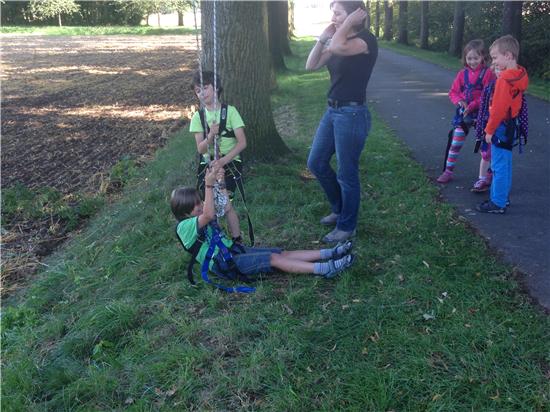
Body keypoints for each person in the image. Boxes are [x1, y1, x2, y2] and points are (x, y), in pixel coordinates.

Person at [171, 163, 355, 286]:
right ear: (184, 212)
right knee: (273, 259)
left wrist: (220, 182)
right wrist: (208, 185)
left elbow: (227, 209)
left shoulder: (201, 214)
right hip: (223, 264)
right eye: (195, 205)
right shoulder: (184, 227)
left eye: (199, 201)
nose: (200, 205)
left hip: (232, 251)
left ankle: (330, 253)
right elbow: (209, 214)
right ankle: (326, 269)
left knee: (282, 253)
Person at [305, 0, 378, 244]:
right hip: (333, 111)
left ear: (357, 15)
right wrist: (321, 38)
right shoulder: (338, 39)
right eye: (333, 13)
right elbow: (311, 65)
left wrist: (344, 26)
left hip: (352, 114)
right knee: (316, 162)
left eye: (338, 13)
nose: (334, 18)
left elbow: (338, 45)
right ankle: (340, 209)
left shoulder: (365, 41)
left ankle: (347, 226)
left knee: (347, 174)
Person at [189, 70, 247, 243]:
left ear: (216, 88)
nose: (202, 93)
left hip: (229, 162)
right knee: (208, 205)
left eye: (205, 88)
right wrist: (210, 136)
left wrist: (222, 161)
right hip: (208, 164)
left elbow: (242, 143)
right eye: (198, 90)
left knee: (226, 203)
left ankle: (237, 240)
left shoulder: (230, 112)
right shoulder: (198, 117)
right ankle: (217, 240)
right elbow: (201, 149)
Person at [477, 35, 528, 214]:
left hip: (501, 126)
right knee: (505, 164)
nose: (494, 62)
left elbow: (498, 109)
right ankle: (502, 197)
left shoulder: (504, 80)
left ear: (508, 55)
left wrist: (489, 130)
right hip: (512, 125)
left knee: (498, 166)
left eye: (495, 57)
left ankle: (497, 203)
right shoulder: (520, 74)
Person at [437, 39, 495, 184]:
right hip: (464, 114)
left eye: (476, 58)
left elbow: (488, 95)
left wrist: (474, 104)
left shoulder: (488, 74)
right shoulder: (462, 74)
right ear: (465, 58)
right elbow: (453, 92)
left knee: (485, 147)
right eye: (469, 58)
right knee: (455, 143)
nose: (472, 61)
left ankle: (488, 173)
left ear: (483, 57)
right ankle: (448, 171)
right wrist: (459, 101)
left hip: (483, 114)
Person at [471, 62, 501, 193]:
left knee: (497, 155)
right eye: (496, 69)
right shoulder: (489, 88)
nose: (499, 72)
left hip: (501, 128)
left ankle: (493, 177)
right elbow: (483, 109)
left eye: (501, 69)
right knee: (485, 154)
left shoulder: (508, 87)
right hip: (487, 125)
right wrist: (481, 127)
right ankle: (482, 178)